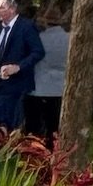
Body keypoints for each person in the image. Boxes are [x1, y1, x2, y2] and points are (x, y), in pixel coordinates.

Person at [0, 0, 45, 131]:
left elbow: (38, 52)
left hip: (15, 84)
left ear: (12, 10)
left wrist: (18, 67)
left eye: (1, 8)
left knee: (8, 123)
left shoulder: (26, 27)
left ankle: (8, 148)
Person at [26, 11, 70, 145]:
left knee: (35, 127)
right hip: (59, 88)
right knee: (54, 126)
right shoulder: (69, 39)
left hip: (39, 87)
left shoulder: (39, 38)